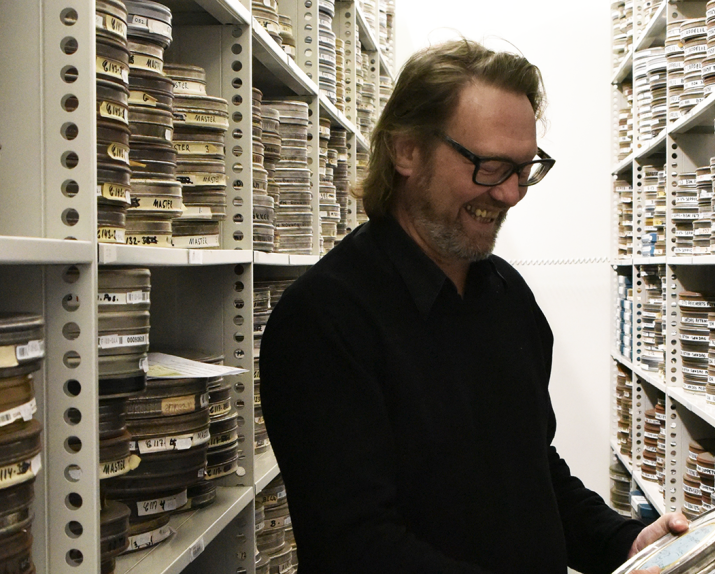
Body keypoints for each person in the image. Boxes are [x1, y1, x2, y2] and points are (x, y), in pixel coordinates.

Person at [259, 38, 688, 573]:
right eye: (490, 166)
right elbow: (356, 546)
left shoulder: (508, 297)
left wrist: (623, 543)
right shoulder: (323, 319)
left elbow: (532, 473)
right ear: (406, 150)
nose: (510, 194)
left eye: (524, 169)